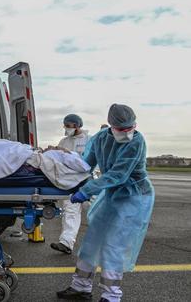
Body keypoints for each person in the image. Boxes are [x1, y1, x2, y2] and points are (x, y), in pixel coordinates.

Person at [57, 104, 155, 302]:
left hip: (133, 195)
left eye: (130, 128)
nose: (127, 133)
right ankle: (80, 287)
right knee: (92, 239)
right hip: (113, 194)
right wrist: (64, 172)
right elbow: (86, 164)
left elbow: (118, 175)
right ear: (111, 125)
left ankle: (111, 296)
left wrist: (86, 191)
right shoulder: (100, 138)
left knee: (114, 244)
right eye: (122, 129)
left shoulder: (137, 141)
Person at [50, 114, 91, 255]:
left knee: (98, 211)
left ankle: (108, 242)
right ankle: (66, 243)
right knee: (70, 210)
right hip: (71, 181)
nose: (66, 128)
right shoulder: (63, 141)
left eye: (69, 126)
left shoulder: (89, 140)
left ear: (77, 125)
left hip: (89, 181)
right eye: (65, 126)